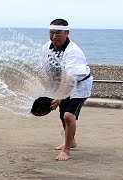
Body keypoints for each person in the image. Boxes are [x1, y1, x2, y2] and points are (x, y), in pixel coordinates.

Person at [44, 19, 93, 161]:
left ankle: (66, 150)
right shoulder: (47, 47)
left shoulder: (74, 52)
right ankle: (71, 141)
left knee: (68, 116)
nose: (54, 36)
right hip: (63, 83)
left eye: (58, 33)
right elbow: (45, 68)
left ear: (67, 33)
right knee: (62, 115)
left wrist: (59, 96)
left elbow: (71, 79)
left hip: (79, 85)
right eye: (51, 33)